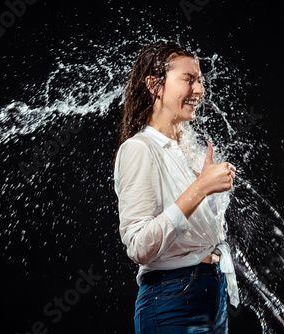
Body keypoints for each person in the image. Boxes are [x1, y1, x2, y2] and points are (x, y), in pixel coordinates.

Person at [113, 40, 240, 334]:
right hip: (172, 300)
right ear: (154, 85)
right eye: (189, 79)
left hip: (210, 294)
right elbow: (139, 246)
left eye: (201, 81)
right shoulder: (139, 149)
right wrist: (201, 187)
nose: (200, 90)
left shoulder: (189, 148)